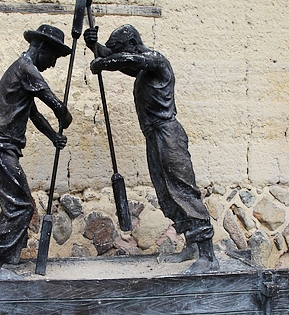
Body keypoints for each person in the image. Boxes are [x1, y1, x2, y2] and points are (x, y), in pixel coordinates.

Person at [84, 24, 218, 274]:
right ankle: (192, 245)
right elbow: (120, 61)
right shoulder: (141, 70)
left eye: (121, 49)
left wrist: (103, 62)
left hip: (168, 134)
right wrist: (94, 46)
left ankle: (208, 256)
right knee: (167, 193)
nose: (119, 54)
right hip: (154, 136)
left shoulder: (156, 61)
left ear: (133, 44)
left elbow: (127, 60)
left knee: (183, 190)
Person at [0, 24, 73, 280]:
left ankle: (7, 260)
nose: (52, 64)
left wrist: (54, 136)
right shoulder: (26, 69)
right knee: (20, 206)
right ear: (41, 47)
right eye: (53, 57)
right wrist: (64, 115)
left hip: (1, 148)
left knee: (17, 204)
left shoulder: (23, 72)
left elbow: (34, 114)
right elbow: (53, 102)